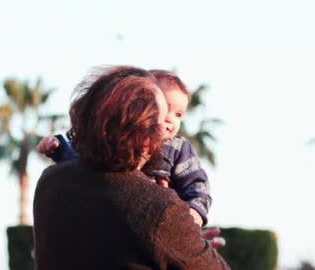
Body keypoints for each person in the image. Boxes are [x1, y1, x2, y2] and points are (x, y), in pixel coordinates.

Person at [33, 65, 229, 269]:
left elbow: (104, 241)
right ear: (146, 134)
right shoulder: (158, 208)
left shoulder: (50, 181)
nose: (168, 126)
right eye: (161, 118)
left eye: (177, 115)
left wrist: (178, 242)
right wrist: (181, 241)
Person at [38, 69, 212, 228]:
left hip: (163, 223)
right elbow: (82, 160)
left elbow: (197, 186)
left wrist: (192, 216)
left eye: (178, 115)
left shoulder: (178, 148)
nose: (170, 119)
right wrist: (58, 147)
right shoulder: (113, 147)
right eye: (165, 108)